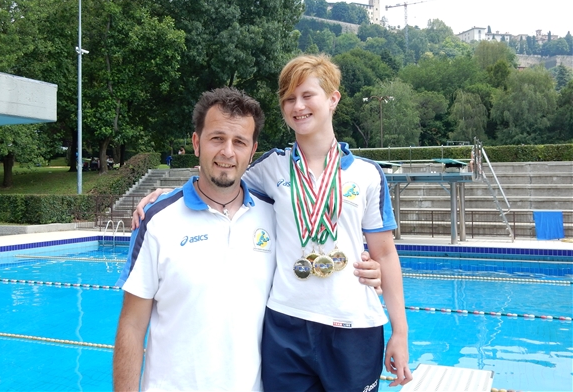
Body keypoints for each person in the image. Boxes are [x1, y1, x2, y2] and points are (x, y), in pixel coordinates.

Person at [133, 55, 411, 390]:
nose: (298, 106)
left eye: (308, 95)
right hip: (286, 323)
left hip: (353, 324)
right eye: (289, 99)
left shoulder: (367, 175)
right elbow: (221, 176)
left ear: (333, 98)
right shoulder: (271, 167)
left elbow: (385, 254)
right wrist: (169, 194)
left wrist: (400, 332)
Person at [113, 87, 273, 391]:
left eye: (239, 142)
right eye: (217, 138)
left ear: (252, 151)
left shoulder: (274, 216)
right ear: (196, 143)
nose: (227, 151)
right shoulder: (157, 219)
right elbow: (132, 326)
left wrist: (368, 266)